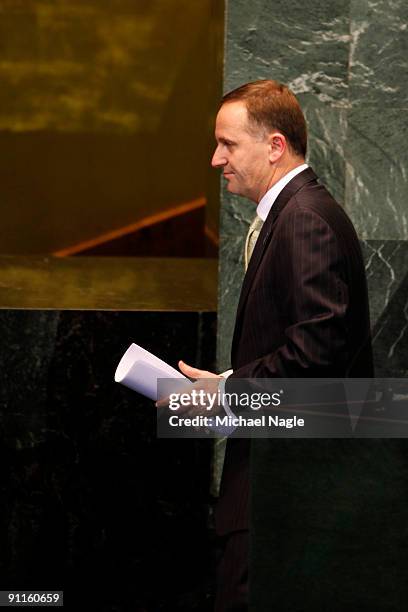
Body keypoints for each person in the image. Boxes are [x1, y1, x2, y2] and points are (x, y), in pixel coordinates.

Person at [176, 80, 373, 611]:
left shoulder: (304, 219)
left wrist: (225, 393)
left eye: (228, 144)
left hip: (287, 492)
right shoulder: (295, 215)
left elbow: (315, 356)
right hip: (280, 489)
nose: (216, 159)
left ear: (275, 146)